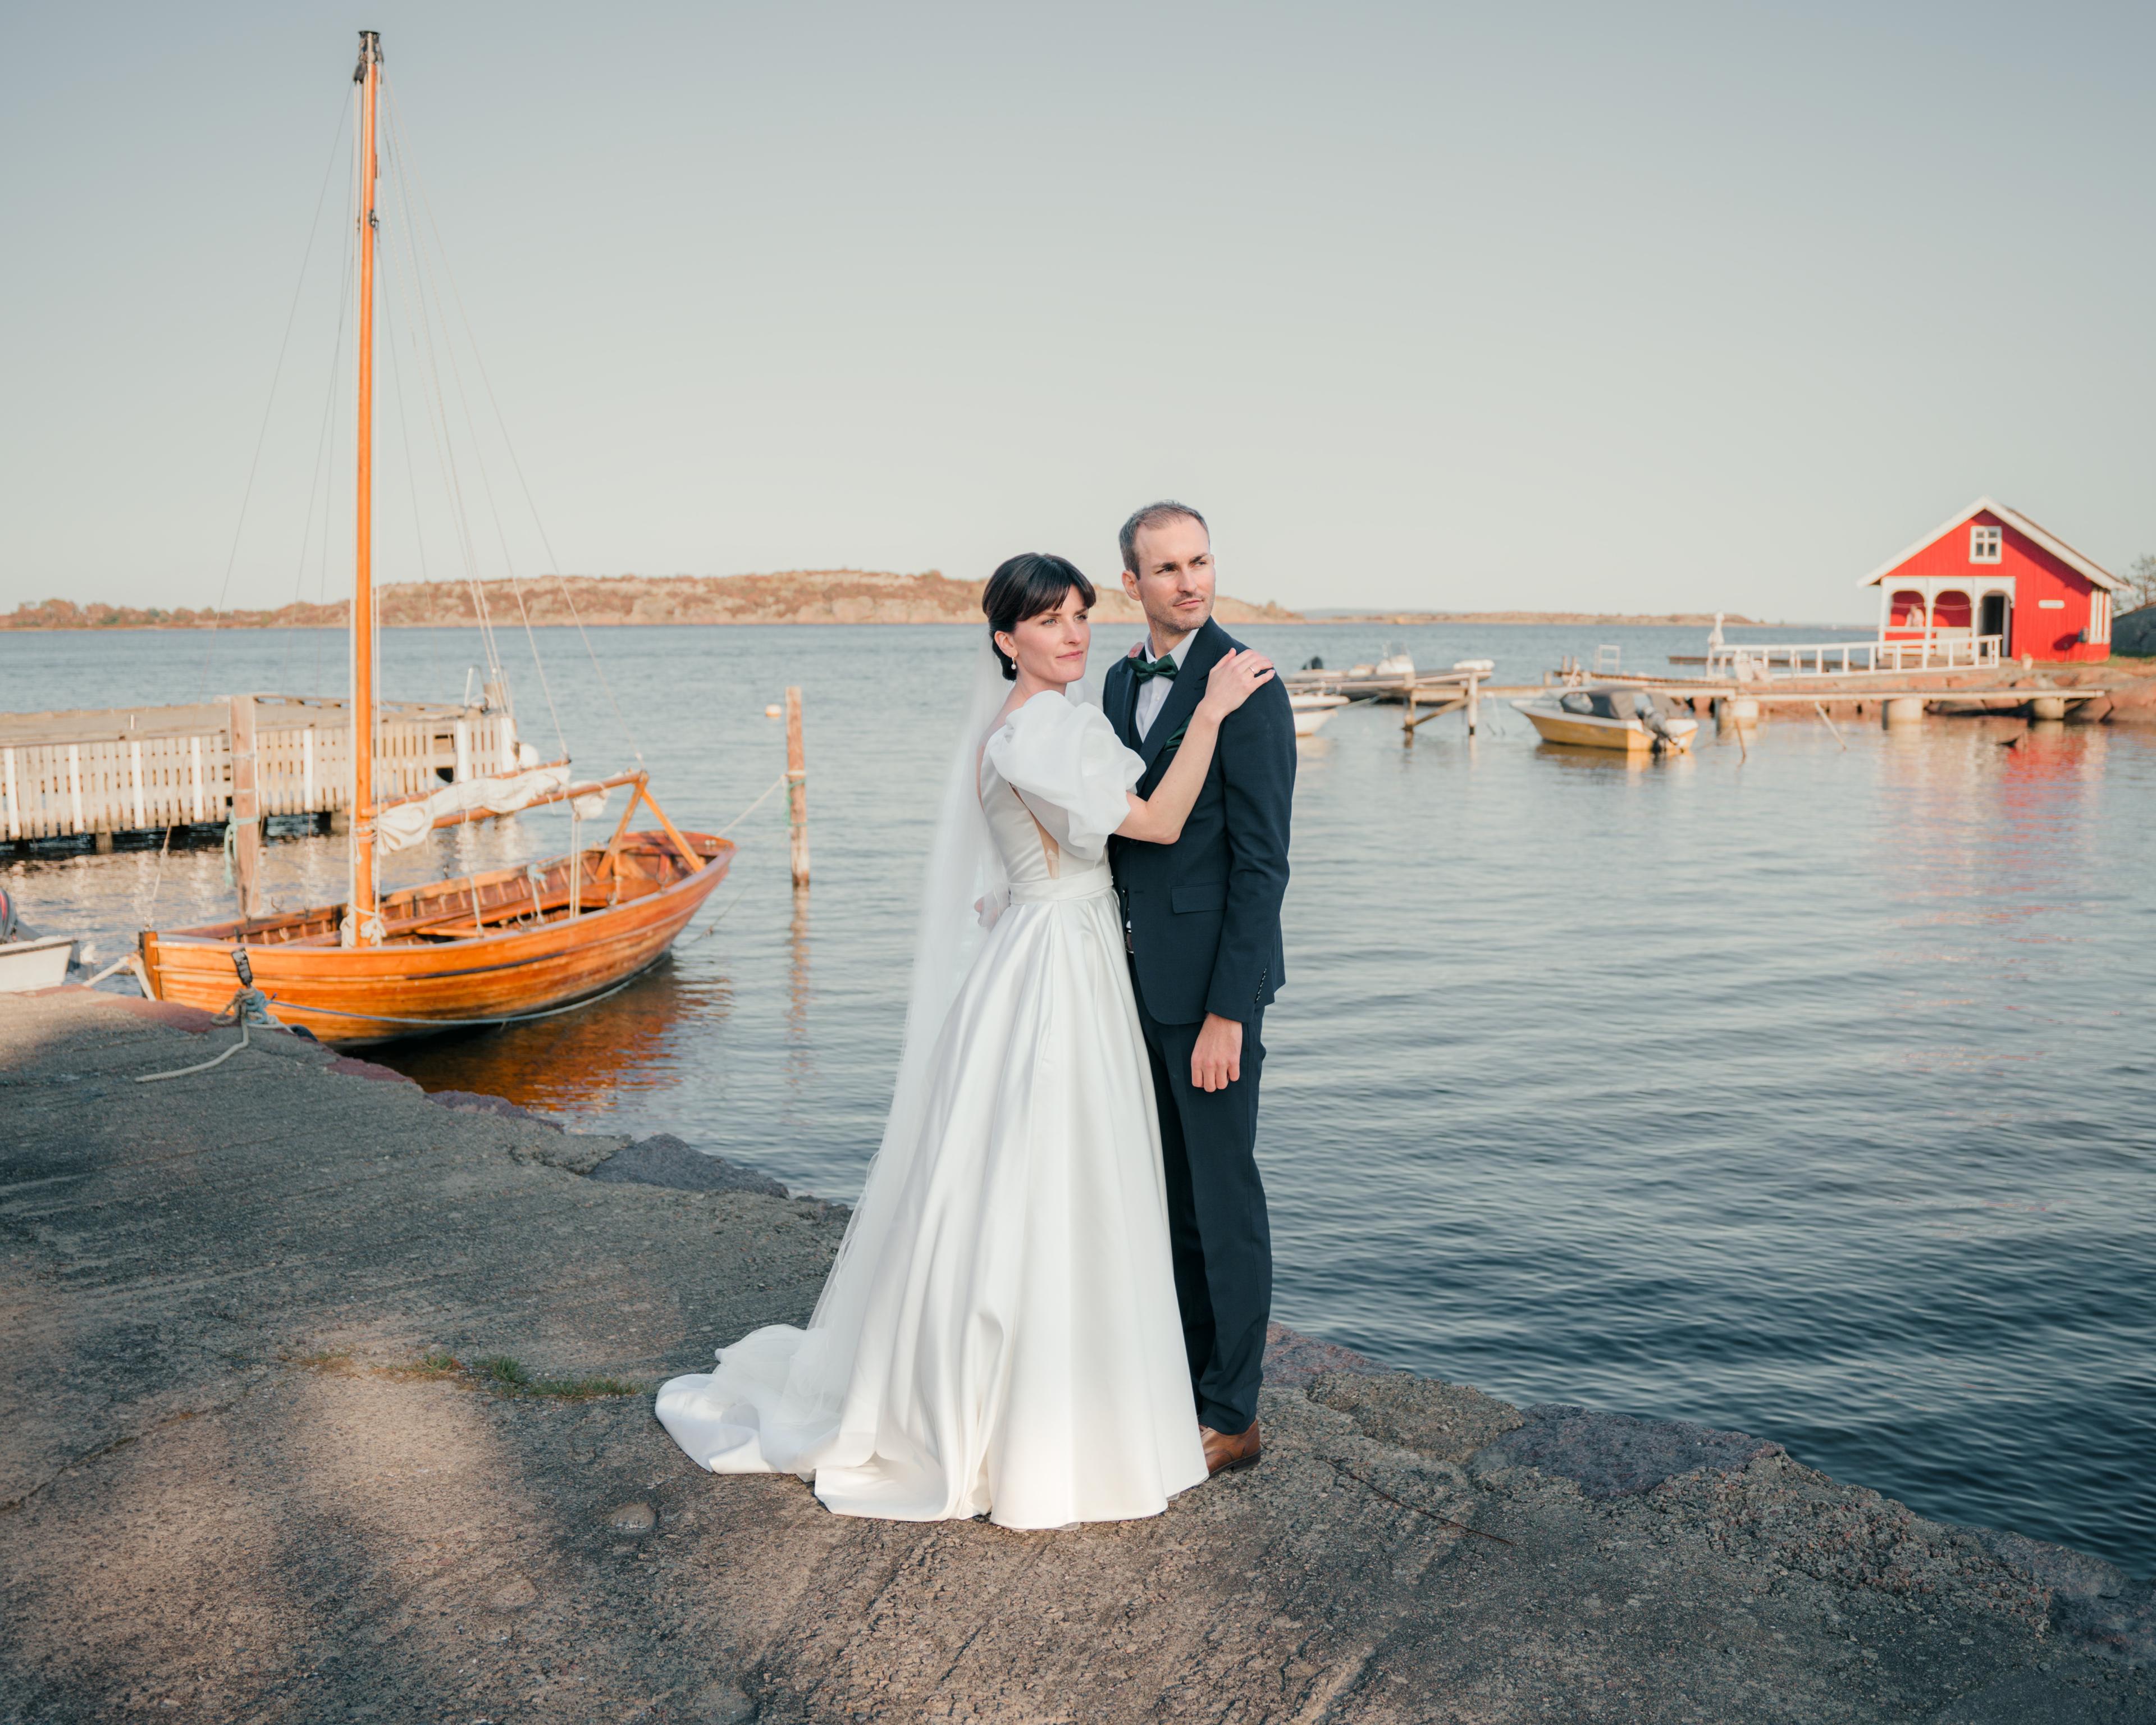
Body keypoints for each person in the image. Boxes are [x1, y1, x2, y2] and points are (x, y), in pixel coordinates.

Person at [655, 553, 1276, 1528]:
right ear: (1005, 640)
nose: (1072, 633)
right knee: (1050, 1172)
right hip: (1059, 966)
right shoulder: (1030, 733)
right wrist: (1207, 711)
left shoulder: (1067, 716)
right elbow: (1151, 823)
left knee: (1067, 1173)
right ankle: (1027, 1411)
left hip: (1064, 945)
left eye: (1078, 615)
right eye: (1048, 622)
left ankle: (1094, 1387)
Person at [1102, 501, 1295, 1477]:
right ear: (1130, 584)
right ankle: (1174, 1381)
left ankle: (1234, 1414)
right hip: (1125, 986)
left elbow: (1263, 864)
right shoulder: (1116, 681)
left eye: (1202, 561)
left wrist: (1231, 1010)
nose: (1191, 582)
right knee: (1161, 1196)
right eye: (1167, 568)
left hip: (1210, 997)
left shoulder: (1249, 684)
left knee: (1222, 1201)